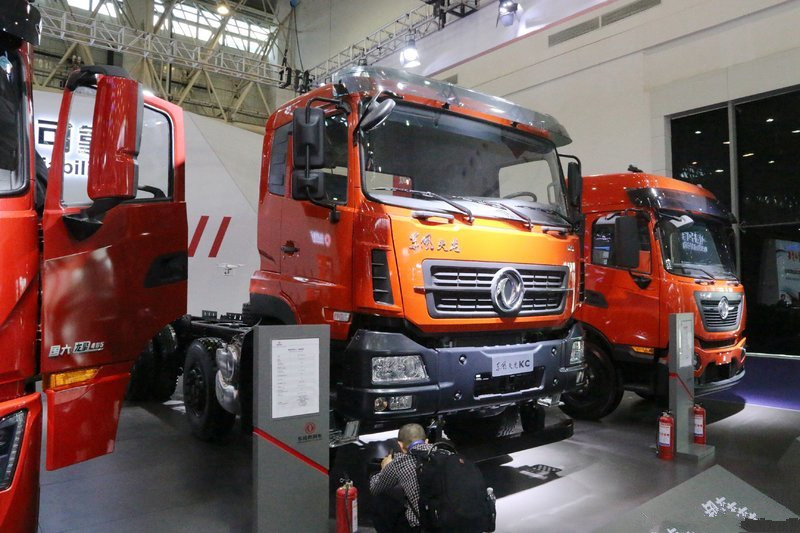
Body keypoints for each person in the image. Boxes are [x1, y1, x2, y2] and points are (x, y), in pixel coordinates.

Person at [369, 423, 435, 533]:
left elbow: (375, 488)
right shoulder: (446, 453)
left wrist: (385, 468)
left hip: (422, 527)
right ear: (427, 441)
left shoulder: (399, 462)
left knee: (380, 501)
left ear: (400, 445)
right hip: (452, 522)